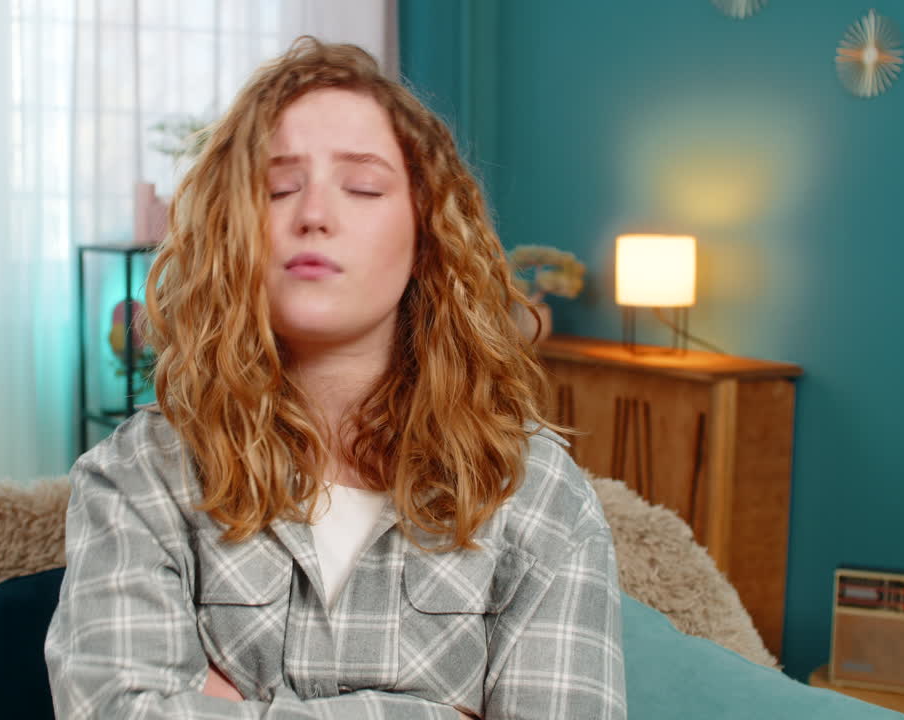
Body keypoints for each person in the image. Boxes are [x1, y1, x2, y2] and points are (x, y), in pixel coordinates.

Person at [45, 37, 626, 719]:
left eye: (363, 186)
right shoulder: (136, 477)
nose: (314, 214)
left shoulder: (539, 495)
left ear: (427, 236)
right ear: (235, 230)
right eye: (278, 187)